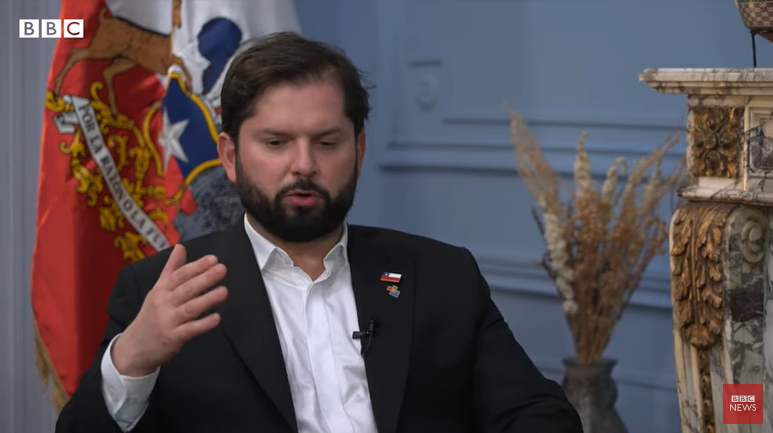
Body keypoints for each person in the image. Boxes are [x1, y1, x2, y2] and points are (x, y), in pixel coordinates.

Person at [55, 32, 584, 433]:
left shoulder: (440, 275)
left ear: (359, 150)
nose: (304, 165)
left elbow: (535, 411)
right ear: (230, 157)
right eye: (276, 143)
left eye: (327, 143)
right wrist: (132, 361)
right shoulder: (162, 290)